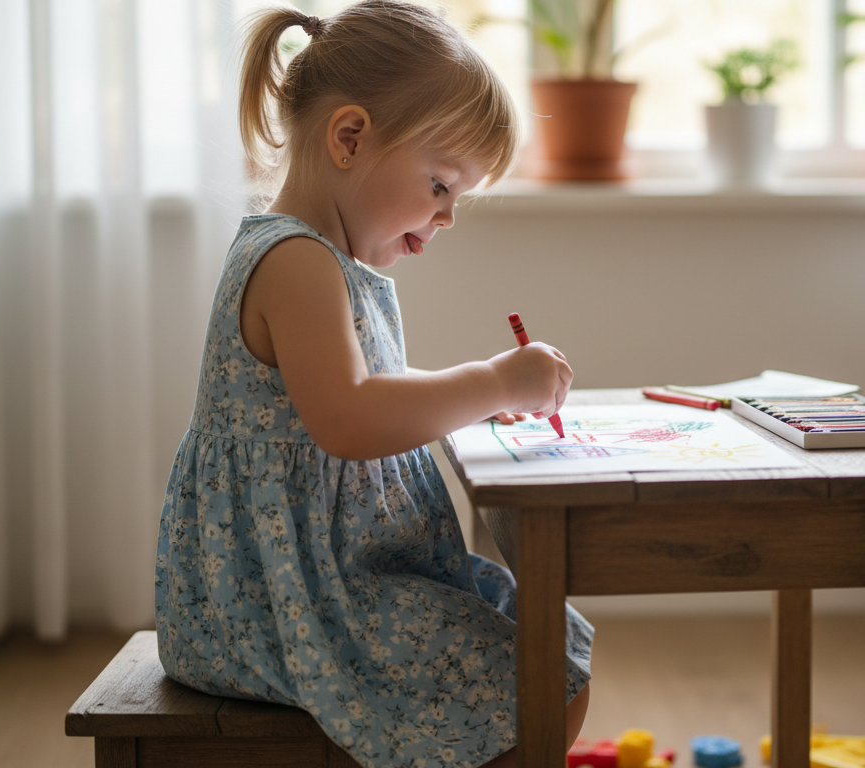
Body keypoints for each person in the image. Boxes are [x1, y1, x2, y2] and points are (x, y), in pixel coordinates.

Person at [153, 3, 593, 767]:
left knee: (545, 637)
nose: (449, 215)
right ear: (350, 138)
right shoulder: (295, 262)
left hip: (326, 581)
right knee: (544, 675)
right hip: (285, 605)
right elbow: (349, 420)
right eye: (440, 184)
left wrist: (484, 396)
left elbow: (364, 393)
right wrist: (492, 380)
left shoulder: (324, 260)